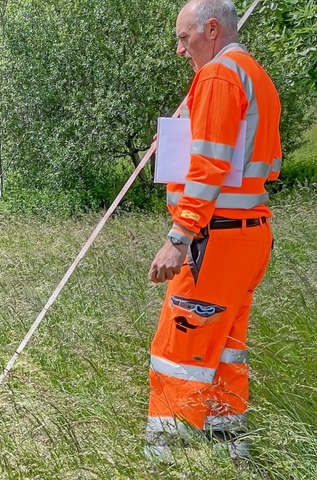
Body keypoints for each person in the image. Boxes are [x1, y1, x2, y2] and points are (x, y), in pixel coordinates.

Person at [145, 0, 282, 462]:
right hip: (248, 234)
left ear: (211, 29)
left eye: (185, 38)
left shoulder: (221, 75)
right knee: (225, 348)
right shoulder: (254, 74)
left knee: (178, 346)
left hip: (216, 239)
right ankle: (228, 449)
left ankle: (167, 456)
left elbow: (210, 166)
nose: (181, 50)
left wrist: (179, 237)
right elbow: (247, 161)